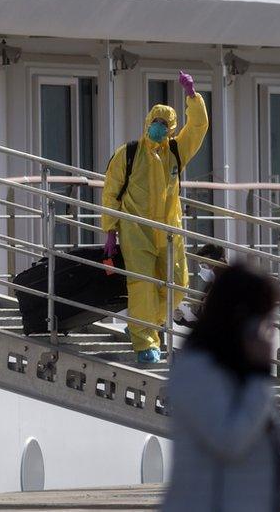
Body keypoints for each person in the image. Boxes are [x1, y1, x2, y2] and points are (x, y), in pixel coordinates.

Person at [164, 263, 280, 512]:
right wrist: (259, 376)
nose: (268, 329)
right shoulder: (197, 369)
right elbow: (229, 440)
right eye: (263, 317)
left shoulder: (240, 372)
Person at [101, 71, 209, 364]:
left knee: (178, 285)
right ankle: (145, 341)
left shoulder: (176, 152)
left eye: (165, 124)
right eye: (155, 122)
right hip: (136, 229)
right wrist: (110, 230)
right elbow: (111, 191)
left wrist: (192, 95)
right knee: (143, 285)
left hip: (169, 229)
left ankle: (142, 323)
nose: (159, 128)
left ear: (172, 128)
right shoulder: (129, 153)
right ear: (147, 122)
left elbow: (198, 128)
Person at [173, 243, 225, 329]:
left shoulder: (229, 285)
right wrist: (180, 319)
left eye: (204, 265)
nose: (202, 271)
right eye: (201, 266)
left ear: (220, 262)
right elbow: (200, 321)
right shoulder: (211, 286)